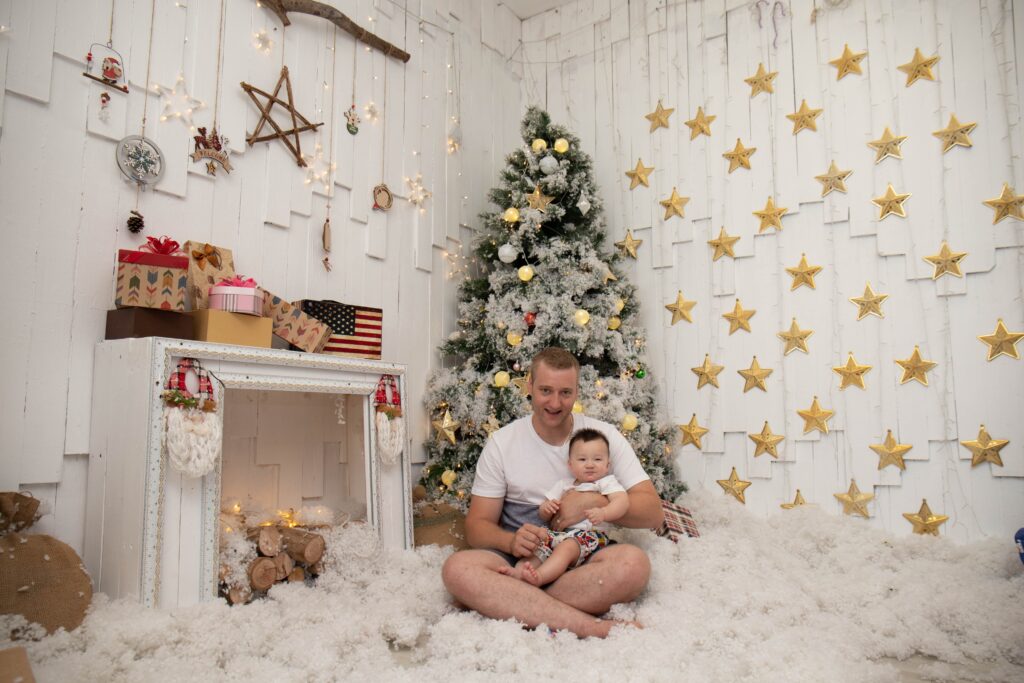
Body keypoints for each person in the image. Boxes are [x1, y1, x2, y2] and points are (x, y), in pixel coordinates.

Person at [441, 347, 665, 638]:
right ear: (530, 385)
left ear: (576, 392)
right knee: (458, 570)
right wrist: (511, 542)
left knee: (633, 566)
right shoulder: (503, 443)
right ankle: (589, 626)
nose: (555, 403)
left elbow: (652, 511)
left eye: (565, 393)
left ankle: (507, 601)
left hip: (580, 560)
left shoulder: (603, 437)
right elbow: (477, 526)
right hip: (521, 561)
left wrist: (593, 501)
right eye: (545, 390)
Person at [498, 428, 629, 587]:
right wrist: (547, 508)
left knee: (567, 547)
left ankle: (540, 577)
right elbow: (544, 514)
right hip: (561, 535)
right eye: (582, 459)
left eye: (597, 459)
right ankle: (520, 573)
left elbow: (622, 502)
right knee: (540, 542)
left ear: (607, 465)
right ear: (571, 465)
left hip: (592, 538)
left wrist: (604, 512)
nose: (590, 465)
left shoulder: (605, 483)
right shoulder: (564, 485)